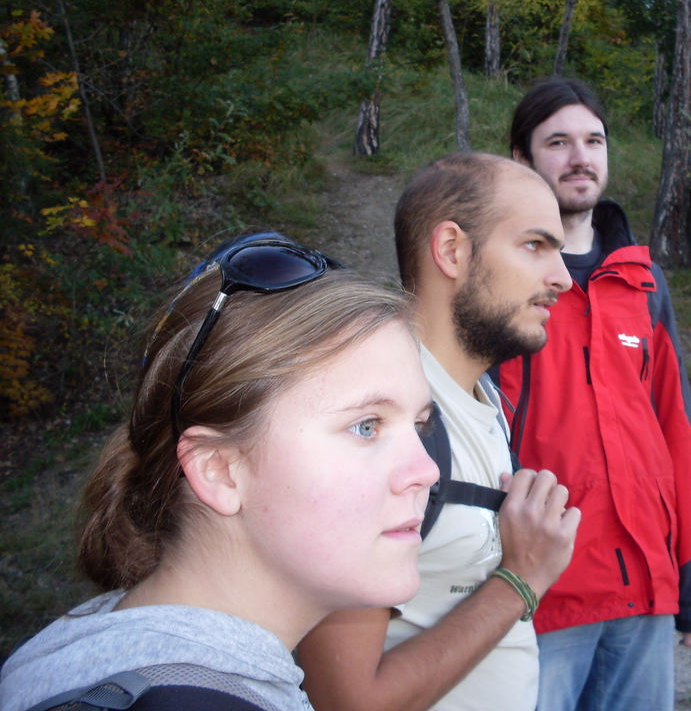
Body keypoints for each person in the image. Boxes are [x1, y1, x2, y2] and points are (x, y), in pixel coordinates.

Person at [0, 234, 440, 711]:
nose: (427, 470)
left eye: (419, 425)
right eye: (366, 426)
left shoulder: (91, 646)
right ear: (219, 470)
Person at [298, 152, 581, 711]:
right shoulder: (381, 421)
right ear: (451, 250)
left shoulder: (481, 400)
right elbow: (347, 701)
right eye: (535, 245)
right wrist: (522, 579)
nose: (563, 279)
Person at [494, 77, 691, 711]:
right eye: (558, 142)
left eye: (593, 141)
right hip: (539, 588)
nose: (580, 157)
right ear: (521, 158)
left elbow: (678, 430)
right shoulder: (498, 279)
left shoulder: (642, 283)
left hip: (644, 586)